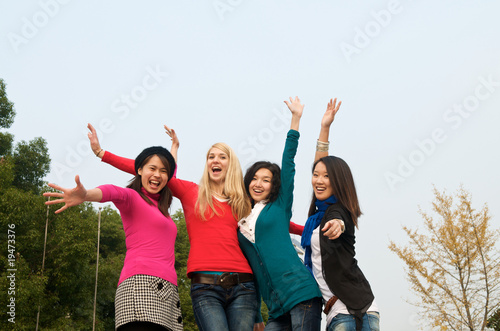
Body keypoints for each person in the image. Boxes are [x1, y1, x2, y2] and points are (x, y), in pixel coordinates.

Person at [87, 124, 259, 331]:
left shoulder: (242, 203)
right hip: (205, 284)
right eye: (211, 156)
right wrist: (101, 153)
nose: (216, 160)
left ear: (231, 164)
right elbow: (156, 170)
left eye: (222, 157)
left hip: (243, 283)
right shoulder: (192, 193)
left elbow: (261, 241)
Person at [43, 146, 183, 331]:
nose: (157, 175)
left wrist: (174, 147)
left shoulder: (161, 209)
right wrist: (85, 195)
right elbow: (111, 191)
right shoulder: (133, 197)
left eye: (163, 171)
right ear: (139, 170)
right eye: (152, 168)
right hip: (141, 285)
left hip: (169, 289)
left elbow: (170, 171)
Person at [238, 97, 323, 330]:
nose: (258, 184)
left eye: (266, 180)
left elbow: (288, 162)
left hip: (301, 294)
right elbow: (251, 271)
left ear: (273, 186)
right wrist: (256, 313)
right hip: (275, 307)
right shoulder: (241, 224)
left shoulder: (279, 205)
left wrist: (295, 120)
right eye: (254, 178)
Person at [302, 99, 379, 331]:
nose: (319, 180)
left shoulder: (338, 210)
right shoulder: (318, 213)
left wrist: (337, 225)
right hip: (339, 311)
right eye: (316, 175)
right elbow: (320, 164)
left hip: (354, 309)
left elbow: (340, 221)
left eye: (327, 177)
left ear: (338, 182)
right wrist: (324, 128)